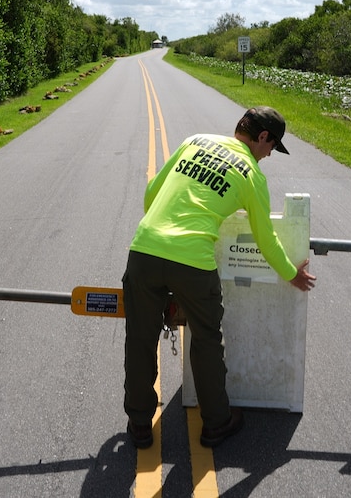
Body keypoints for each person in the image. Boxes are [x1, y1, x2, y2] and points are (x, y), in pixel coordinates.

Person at [122, 106, 317, 449]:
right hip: (193, 263)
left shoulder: (195, 141)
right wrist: (292, 274)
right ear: (262, 137)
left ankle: (139, 424)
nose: (270, 154)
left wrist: (162, 234)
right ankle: (215, 423)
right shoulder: (252, 176)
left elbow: (152, 193)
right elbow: (266, 238)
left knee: (140, 338)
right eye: (273, 146)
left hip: (145, 250)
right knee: (206, 339)